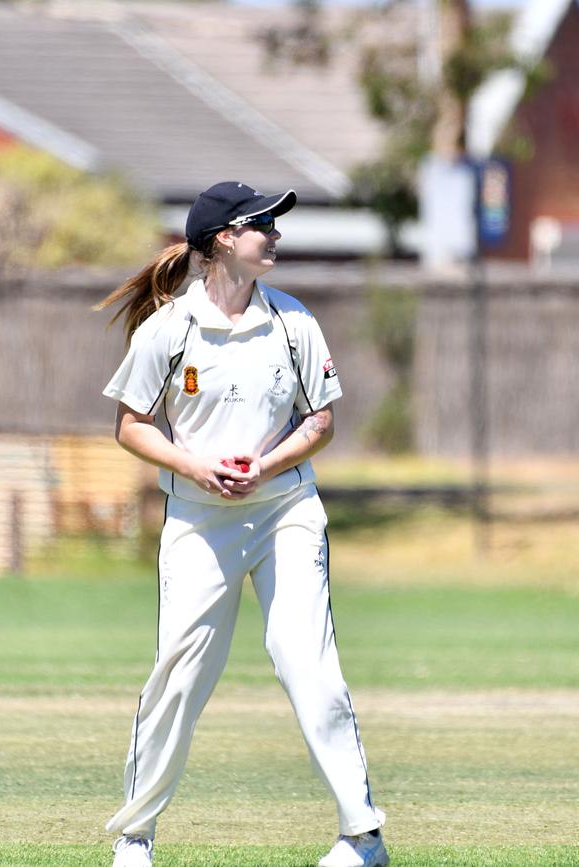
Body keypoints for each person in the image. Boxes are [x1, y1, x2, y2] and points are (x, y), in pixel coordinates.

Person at [98, 181, 388, 867]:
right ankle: (135, 837)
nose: (277, 235)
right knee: (181, 673)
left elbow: (320, 421)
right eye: (264, 224)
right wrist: (197, 468)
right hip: (200, 521)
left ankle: (362, 837)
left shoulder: (293, 321)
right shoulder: (168, 329)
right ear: (224, 238)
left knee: (308, 665)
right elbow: (130, 426)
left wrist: (264, 465)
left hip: (286, 509)